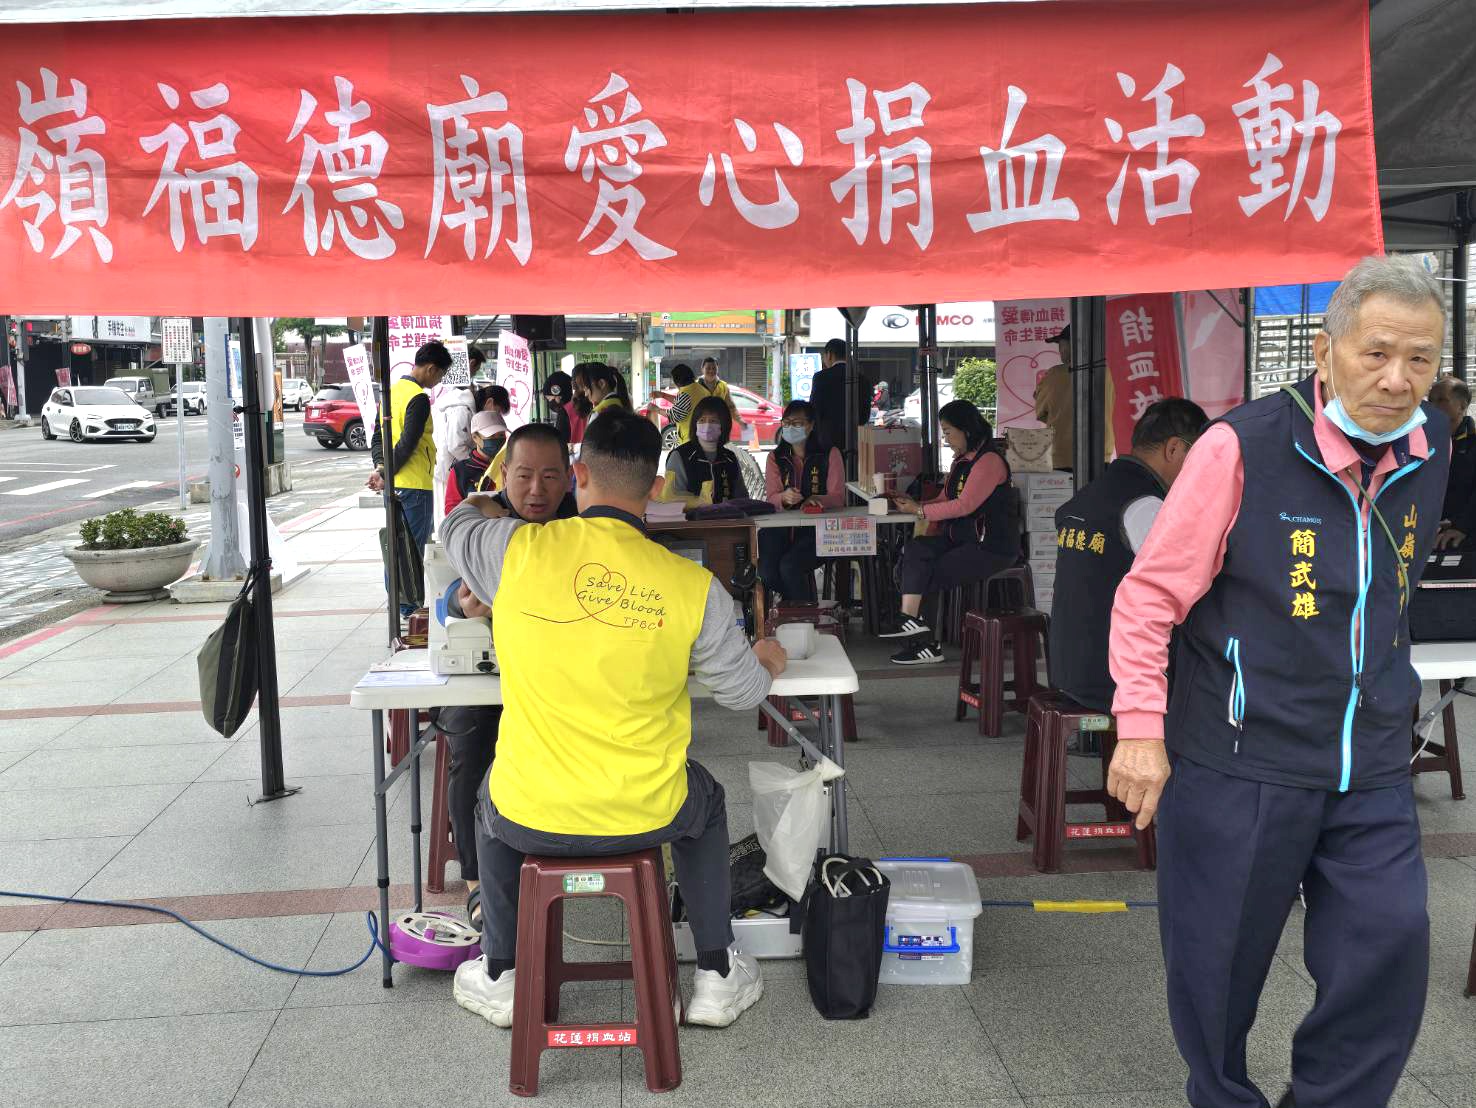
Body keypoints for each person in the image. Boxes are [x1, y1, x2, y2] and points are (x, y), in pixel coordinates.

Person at [1106, 256, 1451, 1108]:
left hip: (1369, 759)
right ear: (1324, 351)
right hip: (1240, 758)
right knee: (1216, 969)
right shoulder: (1241, 447)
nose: (1398, 379)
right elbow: (1149, 597)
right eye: (1377, 353)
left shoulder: (1430, 443)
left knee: (1390, 944)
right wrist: (1140, 728)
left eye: (1420, 359)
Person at [442, 409, 787, 1030]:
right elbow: (742, 694)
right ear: (655, 487)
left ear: (578, 476)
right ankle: (715, 971)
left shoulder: (513, 551)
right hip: (648, 812)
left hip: (531, 813)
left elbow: (454, 526)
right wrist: (766, 659)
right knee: (706, 799)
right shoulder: (692, 585)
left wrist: (491, 495)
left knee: (491, 795)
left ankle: (501, 972)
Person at [437, 423, 579, 928]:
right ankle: (478, 886)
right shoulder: (480, 517)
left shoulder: (583, 523)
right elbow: (443, 596)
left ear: (570, 477)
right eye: (524, 476)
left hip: (562, 680)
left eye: (550, 476)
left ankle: (568, 848)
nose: (536, 489)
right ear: (504, 475)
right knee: (471, 739)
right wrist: (460, 603)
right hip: (491, 679)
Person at [1049, 397, 1207, 713]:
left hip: (1067, 668)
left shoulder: (1093, 494)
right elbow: (1187, 591)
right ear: (1174, 449)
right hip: (1112, 678)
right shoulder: (1146, 506)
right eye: (1198, 457)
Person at [882, 400, 1018, 665]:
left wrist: (920, 511)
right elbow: (946, 498)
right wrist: (914, 505)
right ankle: (910, 623)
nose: (946, 439)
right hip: (961, 538)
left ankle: (924, 643)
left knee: (927, 571)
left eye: (947, 432)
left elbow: (965, 505)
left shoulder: (989, 461)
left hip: (991, 547)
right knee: (915, 549)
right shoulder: (962, 462)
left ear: (966, 429)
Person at [369, 341, 451, 613]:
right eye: (440, 375)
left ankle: (398, 607)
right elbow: (408, 443)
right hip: (415, 485)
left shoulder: (390, 393)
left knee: (395, 548)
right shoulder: (418, 398)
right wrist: (385, 473)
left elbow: (378, 437)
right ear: (431, 368)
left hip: (394, 485)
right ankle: (409, 610)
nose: (438, 381)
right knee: (413, 551)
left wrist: (381, 468)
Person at [759, 399, 844, 602]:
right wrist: (784, 498)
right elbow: (771, 497)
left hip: (817, 532)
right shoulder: (775, 457)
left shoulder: (829, 454)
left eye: (797, 423)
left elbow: (837, 497)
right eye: (787, 423)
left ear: (811, 425)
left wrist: (816, 500)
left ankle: (800, 612)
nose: (790, 428)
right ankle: (799, 604)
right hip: (780, 530)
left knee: (789, 567)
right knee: (767, 572)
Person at [1032, 325, 1115, 470]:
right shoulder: (1106, 372)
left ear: (1073, 345)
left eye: (1061, 345)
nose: (1060, 351)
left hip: (1064, 454)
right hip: (1100, 452)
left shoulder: (1055, 374)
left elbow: (1042, 413)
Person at [663, 396, 745, 505]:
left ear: (724, 425)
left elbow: (742, 498)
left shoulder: (730, 458)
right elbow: (672, 501)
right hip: (691, 516)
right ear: (695, 424)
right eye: (702, 420)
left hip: (728, 515)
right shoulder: (680, 456)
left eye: (713, 421)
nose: (707, 425)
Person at [1429, 374, 1475, 549]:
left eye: (1441, 400)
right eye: (1430, 400)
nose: (1433, 406)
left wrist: (1462, 526)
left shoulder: (1472, 444)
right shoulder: (1421, 443)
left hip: (1463, 535)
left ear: (1462, 405)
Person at [810, 337, 872, 454]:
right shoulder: (863, 379)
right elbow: (865, 415)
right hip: (854, 441)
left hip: (827, 441)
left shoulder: (821, 377)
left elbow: (814, 409)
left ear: (829, 355)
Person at [445, 405, 511, 515]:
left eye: (501, 435)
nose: (498, 440)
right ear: (475, 437)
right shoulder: (460, 471)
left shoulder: (510, 465)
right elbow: (451, 511)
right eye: (491, 436)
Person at [652, 363, 703, 444]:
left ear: (678, 381)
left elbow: (674, 415)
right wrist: (663, 395)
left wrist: (655, 409)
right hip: (701, 435)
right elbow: (683, 404)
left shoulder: (686, 394)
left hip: (691, 439)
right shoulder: (698, 388)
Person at [575, 362, 629, 428]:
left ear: (601, 384)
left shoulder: (597, 414)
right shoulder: (623, 404)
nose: (586, 394)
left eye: (587, 389)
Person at [696, 357, 744, 431]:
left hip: (718, 427)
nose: (711, 370)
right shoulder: (695, 386)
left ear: (717, 369)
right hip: (699, 428)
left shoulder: (723, 386)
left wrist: (740, 421)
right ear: (702, 369)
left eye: (714, 368)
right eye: (708, 368)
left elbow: (731, 407)